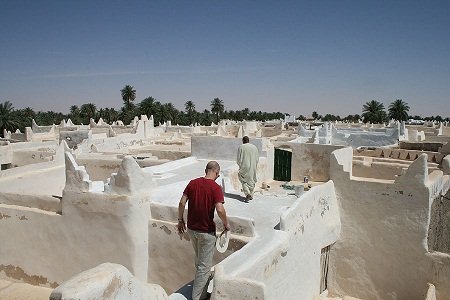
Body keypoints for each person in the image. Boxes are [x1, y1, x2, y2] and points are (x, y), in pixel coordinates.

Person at [177, 161, 231, 300]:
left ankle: (203, 282)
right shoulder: (215, 188)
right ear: (217, 173)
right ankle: (197, 297)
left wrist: (180, 220)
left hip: (192, 229)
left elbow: (182, 202)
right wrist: (226, 224)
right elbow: (219, 209)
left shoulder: (192, 183)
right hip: (206, 232)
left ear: (205, 170)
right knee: (203, 266)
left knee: (199, 260)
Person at [237, 136, 259, 201]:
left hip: (244, 166)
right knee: (251, 180)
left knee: (243, 179)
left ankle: (247, 194)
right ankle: (251, 195)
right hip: (253, 166)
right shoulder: (254, 147)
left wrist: (240, 165)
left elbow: (238, 159)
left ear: (243, 141)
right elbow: (257, 158)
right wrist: (254, 164)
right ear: (248, 140)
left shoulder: (241, 147)